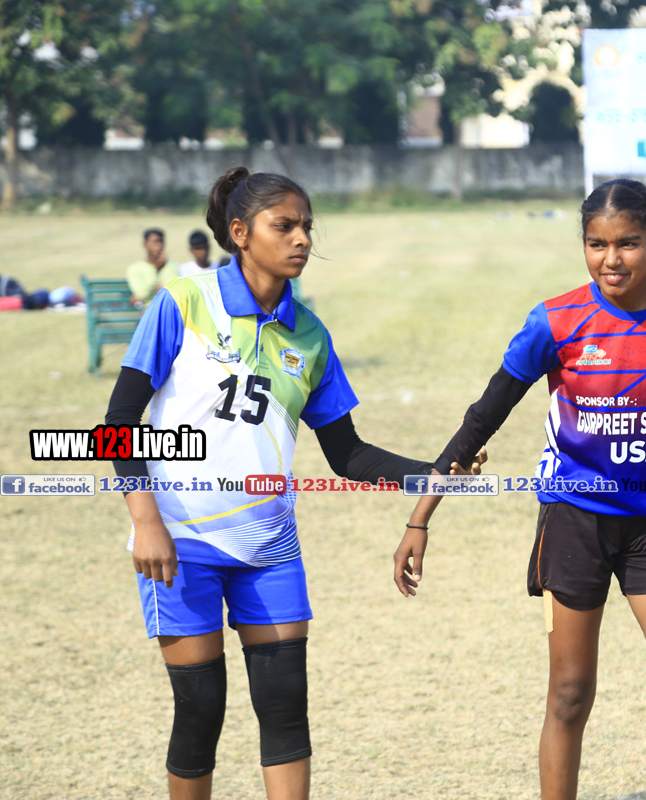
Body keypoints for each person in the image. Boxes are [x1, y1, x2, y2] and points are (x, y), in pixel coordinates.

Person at [394, 178, 646, 800]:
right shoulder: (556, 320)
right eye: (597, 244)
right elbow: (482, 418)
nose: (612, 259)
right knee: (570, 694)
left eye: (628, 243)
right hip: (574, 524)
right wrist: (421, 517)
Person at [106, 166, 482, 800]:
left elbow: (348, 454)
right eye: (285, 226)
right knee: (200, 712)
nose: (302, 238)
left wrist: (433, 472)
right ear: (240, 232)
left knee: (285, 711)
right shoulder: (182, 302)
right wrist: (146, 522)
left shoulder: (309, 335)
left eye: (307, 226)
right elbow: (117, 423)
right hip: (181, 544)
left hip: (270, 548)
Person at [127, 228, 180, 304]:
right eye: (155, 242)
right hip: (148, 308)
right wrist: (156, 269)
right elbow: (141, 294)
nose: (160, 246)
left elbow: (174, 292)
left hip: (169, 306)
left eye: (161, 242)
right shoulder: (135, 268)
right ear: (145, 244)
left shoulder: (172, 265)